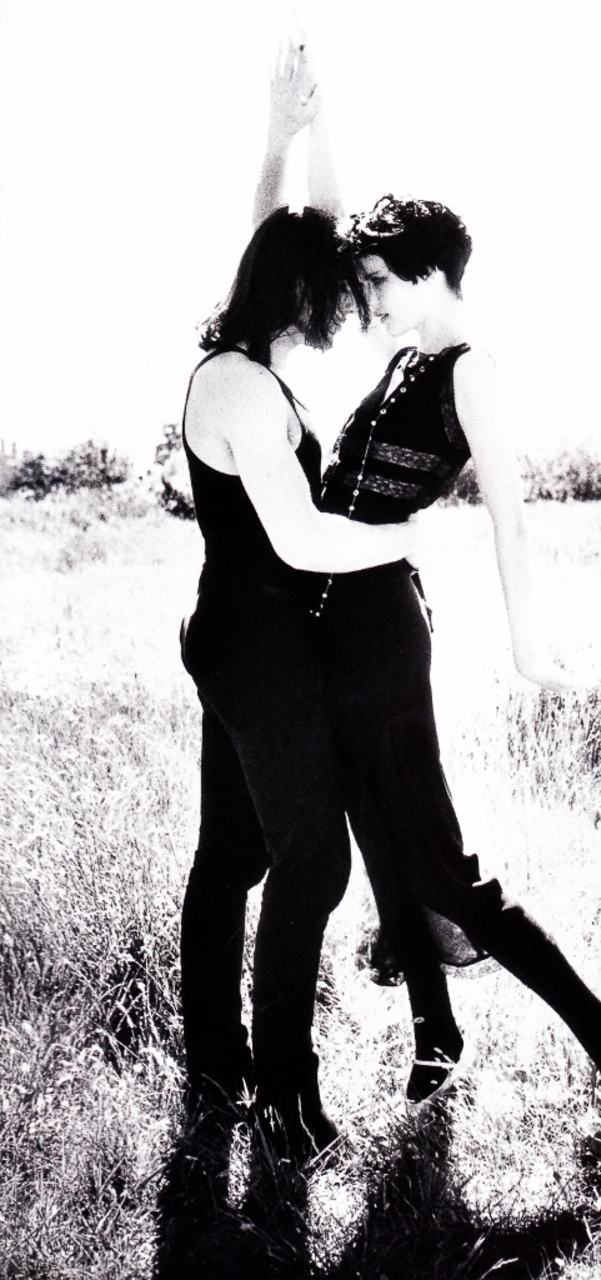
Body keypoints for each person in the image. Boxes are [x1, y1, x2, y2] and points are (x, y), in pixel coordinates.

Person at [256, 44, 601, 1128]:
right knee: (382, 850)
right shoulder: (400, 358)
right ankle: (436, 1038)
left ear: (429, 275)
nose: (367, 297)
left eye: (381, 282)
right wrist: (316, 124)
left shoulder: (467, 370)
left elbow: (509, 515)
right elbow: (342, 232)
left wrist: (528, 646)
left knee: (446, 873)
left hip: (380, 634)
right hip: (329, 629)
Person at [176, 44, 419, 1200]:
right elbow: (303, 539)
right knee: (309, 859)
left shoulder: (251, 352)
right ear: (296, 298)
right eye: (334, 296)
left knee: (231, 857)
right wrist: (407, 538)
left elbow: (297, 227)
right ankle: (281, 1095)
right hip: (256, 637)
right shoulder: (238, 386)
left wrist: (295, 132)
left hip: (244, 632)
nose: (343, 313)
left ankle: (215, 1067)